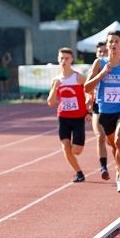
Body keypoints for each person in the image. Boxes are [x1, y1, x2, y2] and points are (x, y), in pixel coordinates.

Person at [84, 30, 120, 193]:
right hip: (105, 112)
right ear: (107, 45)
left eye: (116, 41)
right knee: (114, 146)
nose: (113, 44)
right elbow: (87, 87)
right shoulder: (99, 63)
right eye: (110, 42)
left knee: (118, 140)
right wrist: (102, 74)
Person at [47, 48, 91, 182]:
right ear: (58, 60)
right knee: (65, 147)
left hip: (78, 117)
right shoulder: (56, 80)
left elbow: (90, 91)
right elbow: (51, 102)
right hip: (63, 117)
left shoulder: (78, 78)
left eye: (66, 58)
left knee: (76, 150)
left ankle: (75, 163)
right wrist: (55, 88)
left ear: (71, 60)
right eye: (61, 58)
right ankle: (79, 173)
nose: (63, 61)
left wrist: (88, 109)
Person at [91, 41, 110, 180]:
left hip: (113, 107)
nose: (102, 54)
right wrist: (87, 98)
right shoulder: (94, 69)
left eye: (105, 51)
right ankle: (103, 167)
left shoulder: (115, 67)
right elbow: (87, 87)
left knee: (112, 140)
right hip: (97, 106)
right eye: (100, 52)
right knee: (100, 136)